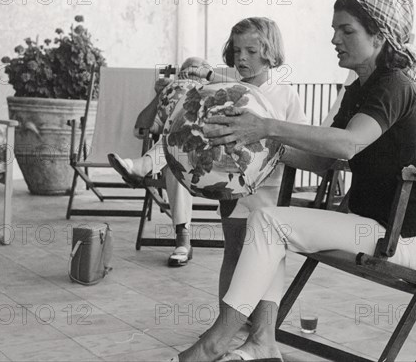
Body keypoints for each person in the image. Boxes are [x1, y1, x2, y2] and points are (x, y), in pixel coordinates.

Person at [174, 0, 416, 362]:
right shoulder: (359, 88)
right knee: (266, 223)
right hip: (366, 223)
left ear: (379, 36)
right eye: (334, 30)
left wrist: (267, 126)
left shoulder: (393, 84)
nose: (334, 40)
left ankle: (214, 344)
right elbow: (321, 162)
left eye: (346, 31)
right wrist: (249, 150)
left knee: (268, 221)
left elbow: (347, 145)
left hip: (401, 236)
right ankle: (261, 342)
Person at [109, 18, 307, 274]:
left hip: (269, 189)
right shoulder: (227, 90)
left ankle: (258, 313)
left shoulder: (285, 95)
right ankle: (230, 310)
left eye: (251, 51)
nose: (241, 58)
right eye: (236, 51)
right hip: (230, 185)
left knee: (267, 258)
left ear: (269, 53)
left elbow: (299, 137)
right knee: (233, 253)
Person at [109, 56, 216, 267]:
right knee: (174, 163)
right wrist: (160, 96)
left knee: (179, 144)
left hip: (208, 159)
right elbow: (140, 130)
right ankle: (183, 241)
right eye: (187, 70)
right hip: (179, 160)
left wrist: (207, 86)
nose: (191, 73)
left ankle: (142, 166)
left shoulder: (215, 96)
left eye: (198, 70)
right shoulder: (171, 99)